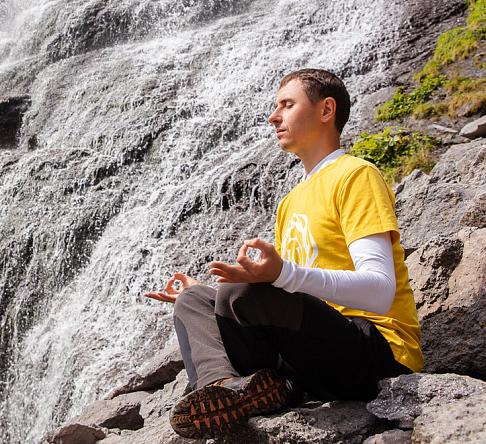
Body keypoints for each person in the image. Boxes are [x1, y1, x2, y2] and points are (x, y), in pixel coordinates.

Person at [144, 69, 422, 439]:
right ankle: (228, 389)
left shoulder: (355, 175)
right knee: (196, 299)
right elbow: (287, 293)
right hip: (310, 358)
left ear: (326, 110)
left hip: (373, 354)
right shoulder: (290, 202)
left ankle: (263, 387)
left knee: (239, 293)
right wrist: (218, 306)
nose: (274, 117)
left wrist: (280, 276)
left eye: (287, 105)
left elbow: (380, 290)